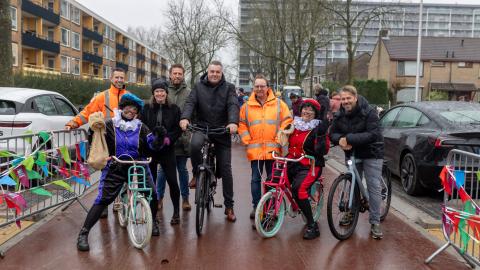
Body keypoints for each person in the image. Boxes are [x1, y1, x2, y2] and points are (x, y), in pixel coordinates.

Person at [77, 93, 163, 251]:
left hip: (137, 165)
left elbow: (152, 146)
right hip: (116, 166)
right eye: (129, 107)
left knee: (152, 192)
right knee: (103, 200)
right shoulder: (110, 124)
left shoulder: (141, 127)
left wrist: (159, 138)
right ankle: (83, 233)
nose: (132, 111)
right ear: (122, 107)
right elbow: (96, 139)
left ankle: (154, 221)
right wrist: (93, 128)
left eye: (135, 109)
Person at [179, 60, 239, 222]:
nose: (214, 74)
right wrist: (185, 118)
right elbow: (190, 103)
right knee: (194, 145)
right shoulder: (198, 87)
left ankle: (229, 206)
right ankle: (197, 174)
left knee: (225, 168)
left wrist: (233, 122)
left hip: (221, 131)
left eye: (217, 72)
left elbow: (233, 105)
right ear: (207, 72)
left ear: (221, 73)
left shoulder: (229, 88)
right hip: (202, 128)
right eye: (212, 71)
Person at [65, 67, 129, 219]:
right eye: (117, 77)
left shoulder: (129, 96)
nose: (119, 80)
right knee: (106, 174)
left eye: (122, 77)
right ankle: (103, 205)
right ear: (111, 79)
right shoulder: (102, 97)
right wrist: (73, 123)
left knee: (125, 173)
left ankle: (121, 203)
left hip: (125, 142)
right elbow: (87, 112)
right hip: (106, 142)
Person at [329, 85, 384, 240]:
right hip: (352, 153)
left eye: (348, 98)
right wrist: (339, 139)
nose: (345, 101)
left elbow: (373, 134)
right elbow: (332, 133)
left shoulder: (369, 112)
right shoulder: (340, 114)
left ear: (355, 97)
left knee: (373, 185)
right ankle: (351, 212)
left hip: (372, 152)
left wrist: (349, 138)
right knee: (353, 182)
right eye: (343, 99)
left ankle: (375, 222)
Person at [238, 74, 292, 219]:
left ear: (268, 87)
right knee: (255, 179)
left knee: (273, 180)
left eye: (262, 86)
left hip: (274, 150)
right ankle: (257, 207)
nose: (260, 88)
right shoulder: (246, 107)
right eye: (257, 86)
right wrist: (246, 139)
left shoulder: (280, 104)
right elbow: (241, 124)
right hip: (255, 151)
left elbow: (287, 121)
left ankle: (271, 208)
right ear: (253, 88)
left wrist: (280, 136)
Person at [139, 79, 182, 225]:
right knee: (151, 182)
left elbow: (178, 128)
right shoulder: (146, 109)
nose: (159, 94)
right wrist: (149, 140)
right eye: (157, 91)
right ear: (153, 93)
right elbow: (142, 126)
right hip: (150, 150)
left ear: (166, 92)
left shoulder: (174, 109)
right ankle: (152, 212)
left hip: (167, 150)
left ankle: (176, 212)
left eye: (162, 91)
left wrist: (169, 139)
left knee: (172, 181)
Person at [286, 98, 328, 239]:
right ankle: (270, 211)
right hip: (292, 161)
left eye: (311, 109)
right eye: (305, 108)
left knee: (298, 189)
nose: (307, 111)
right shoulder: (295, 124)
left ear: (316, 113)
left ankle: (312, 225)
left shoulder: (318, 128)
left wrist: (321, 135)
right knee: (271, 180)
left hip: (311, 164)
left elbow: (324, 150)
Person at [156, 64, 192, 211]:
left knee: (182, 169)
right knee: (162, 171)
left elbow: (192, 112)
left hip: (182, 138)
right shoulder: (163, 90)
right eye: (174, 73)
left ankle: (185, 199)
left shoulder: (189, 92)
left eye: (180, 73)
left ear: (183, 75)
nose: (177, 76)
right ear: (170, 75)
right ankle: (159, 198)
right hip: (165, 138)